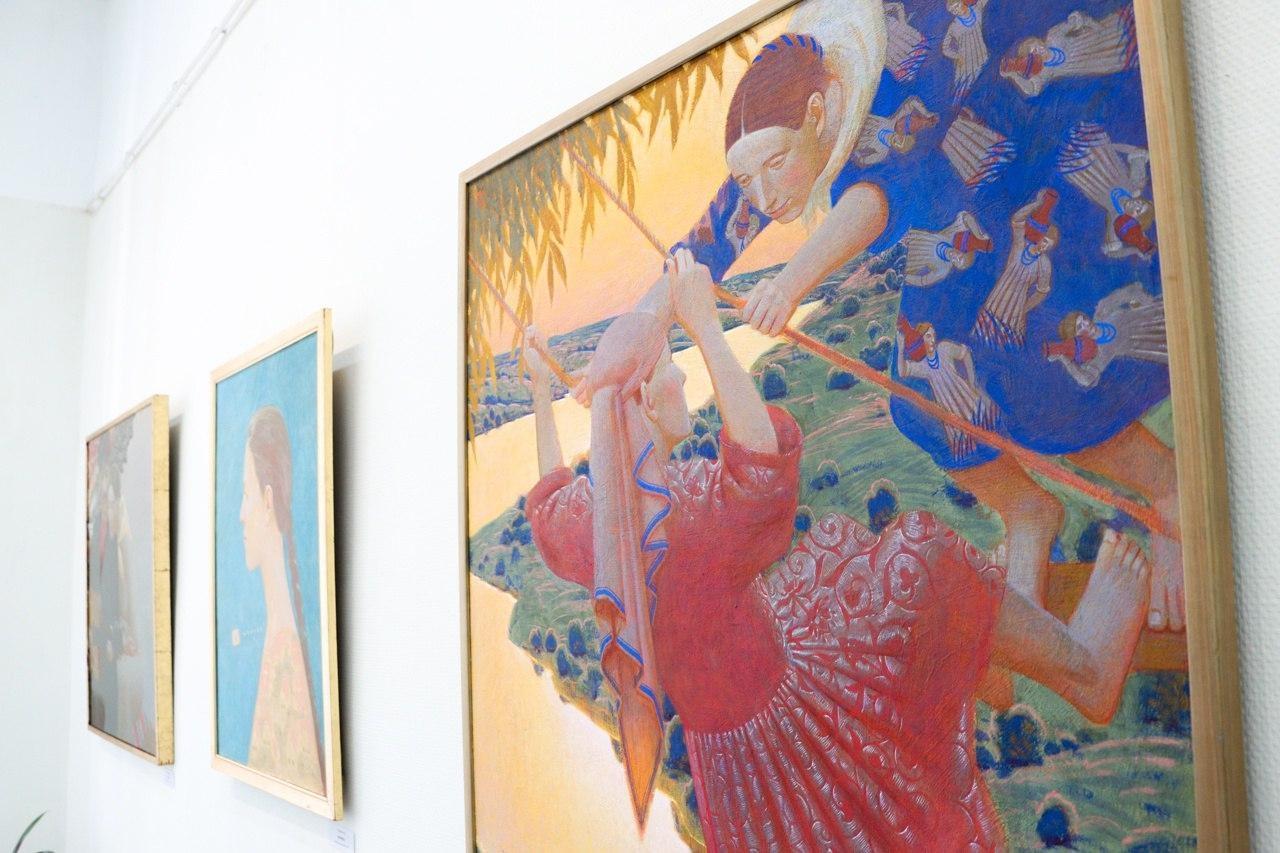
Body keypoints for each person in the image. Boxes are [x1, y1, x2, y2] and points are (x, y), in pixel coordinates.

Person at [528, 250, 1153, 850]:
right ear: (642, 401)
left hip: (729, 765)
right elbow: (761, 472)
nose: (681, 376)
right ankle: (1086, 672)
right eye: (670, 365)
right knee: (922, 560)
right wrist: (707, 330)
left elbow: (548, 499)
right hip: (789, 728)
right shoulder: (685, 510)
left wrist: (537, 390)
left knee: (861, 570)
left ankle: (987, 670)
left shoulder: (595, 524)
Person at [601, 0, 1181, 632]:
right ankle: (1028, 515)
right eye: (748, 179)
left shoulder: (900, 63)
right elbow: (721, 229)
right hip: (971, 190)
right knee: (927, 390)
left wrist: (791, 283)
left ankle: (1169, 489)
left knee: (1042, 359)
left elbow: (874, 198)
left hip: (1055, 133)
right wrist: (645, 320)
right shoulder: (786, 104)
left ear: (820, 112)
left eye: (774, 168)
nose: (764, 196)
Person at [239, 406, 324, 792]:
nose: (241, 514)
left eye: (246, 495)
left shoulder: (284, 650)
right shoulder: (279, 639)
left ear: (268, 501)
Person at [897, 314, 998, 460]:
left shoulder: (944, 348)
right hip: (950, 407)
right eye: (928, 336)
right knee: (965, 445)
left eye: (933, 335)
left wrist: (972, 381)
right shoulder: (923, 366)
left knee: (984, 427)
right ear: (921, 340)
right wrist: (901, 349)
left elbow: (965, 353)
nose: (932, 340)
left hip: (966, 396)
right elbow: (902, 371)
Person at [972, 189, 1060, 348]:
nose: (1044, 246)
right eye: (1045, 241)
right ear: (1040, 237)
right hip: (996, 300)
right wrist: (1037, 204)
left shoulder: (1045, 264)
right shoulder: (1020, 245)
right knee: (981, 339)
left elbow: (1042, 292)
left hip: (1015, 313)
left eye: (1049, 245)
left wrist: (1023, 309)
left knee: (1007, 345)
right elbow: (1017, 220)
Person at [1057, 120, 1157, 259]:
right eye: (1143, 203)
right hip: (1093, 146)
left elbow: (1112, 251)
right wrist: (1108, 147)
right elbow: (1137, 152)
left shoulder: (1115, 216)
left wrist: (1134, 250)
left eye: (1138, 210)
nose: (1138, 204)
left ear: (1132, 221)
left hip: (1077, 166)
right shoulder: (1136, 185)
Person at [1046, 282, 1167, 389]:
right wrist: (1064, 359)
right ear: (1077, 338)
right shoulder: (1099, 353)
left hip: (1160, 312)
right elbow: (1087, 380)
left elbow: (1132, 290)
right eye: (1080, 327)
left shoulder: (1103, 310)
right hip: (1157, 343)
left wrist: (1146, 305)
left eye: (1084, 319)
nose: (1086, 324)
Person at [1001, 5, 1140, 97]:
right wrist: (1013, 75)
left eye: (1036, 45)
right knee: (1126, 54)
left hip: (1094, 38)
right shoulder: (1046, 71)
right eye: (1034, 52)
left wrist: (1098, 29)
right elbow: (1032, 89)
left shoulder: (1053, 36)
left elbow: (1077, 22)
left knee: (1127, 29)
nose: (1039, 49)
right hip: (1094, 61)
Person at [901, 209, 992, 287]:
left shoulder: (943, 269)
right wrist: (979, 236)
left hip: (907, 261)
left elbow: (922, 281)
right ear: (961, 251)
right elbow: (966, 217)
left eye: (955, 263)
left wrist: (902, 276)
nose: (954, 258)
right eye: (960, 258)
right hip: (908, 237)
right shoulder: (950, 236)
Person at [852, 95, 939, 167]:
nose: (896, 142)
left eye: (899, 145)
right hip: (855, 120)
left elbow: (862, 160)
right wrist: (926, 114)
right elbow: (911, 102)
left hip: (851, 138)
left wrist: (855, 152)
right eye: (900, 140)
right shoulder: (892, 123)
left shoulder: (882, 153)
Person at [942, 0, 990, 102]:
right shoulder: (953, 26)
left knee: (985, 84)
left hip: (982, 54)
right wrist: (957, 56)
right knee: (965, 92)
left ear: (962, 2)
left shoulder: (976, 9)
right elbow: (945, 48)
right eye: (953, 10)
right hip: (967, 63)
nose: (956, 11)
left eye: (956, 6)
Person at [883, 1, 929, 83]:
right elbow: (898, 6)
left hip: (902, 38)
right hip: (889, 49)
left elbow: (897, 6)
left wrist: (903, 26)